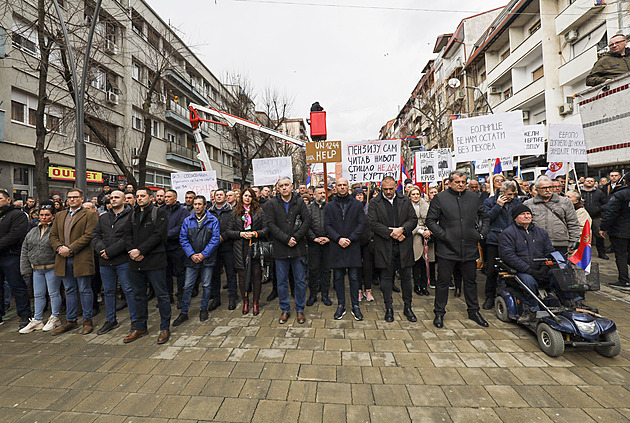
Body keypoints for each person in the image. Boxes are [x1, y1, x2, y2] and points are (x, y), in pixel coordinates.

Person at [426, 171, 489, 329]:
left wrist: (480, 234)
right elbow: (431, 220)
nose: (461, 184)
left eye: (463, 182)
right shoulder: (440, 198)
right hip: (447, 249)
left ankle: (474, 311)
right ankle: (439, 312)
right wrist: (443, 235)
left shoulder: (474, 197)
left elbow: (484, 217)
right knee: (443, 282)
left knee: (470, 282)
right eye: (457, 182)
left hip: (469, 247)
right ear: (449, 183)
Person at [122, 188, 171, 345]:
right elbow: (126, 235)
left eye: (142, 196)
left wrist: (141, 250)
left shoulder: (159, 213)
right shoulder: (132, 214)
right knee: (138, 295)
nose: (139, 198)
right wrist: (132, 251)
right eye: (137, 196)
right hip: (135, 261)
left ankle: (164, 328)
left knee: (161, 295)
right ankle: (140, 326)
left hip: (154, 260)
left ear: (151, 197)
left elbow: (159, 235)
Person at [368, 176, 418, 323]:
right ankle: (388, 307)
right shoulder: (374, 202)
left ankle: (408, 307)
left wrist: (402, 230)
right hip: (384, 246)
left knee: (406, 278)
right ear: (381, 187)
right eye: (385, 189)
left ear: (396, 186)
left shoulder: (405, 200)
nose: (388, 192)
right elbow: (372, 223)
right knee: (386, 278)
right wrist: (392, 233)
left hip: (404, 245)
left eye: (391, 189)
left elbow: (413, 220)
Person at [49, 188, 98, 335]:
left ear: (81, 199)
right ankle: (71, 320)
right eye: (69, 197)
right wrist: (59, 248)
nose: (72, 200)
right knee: (69, 290)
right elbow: (52, 235)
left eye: (75, 197)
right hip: (63, 259)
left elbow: (88, 235)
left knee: (84, 289)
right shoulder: (60, 215)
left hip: (80, 257)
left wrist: (70, 249)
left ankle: (87, 320)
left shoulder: (89, 214)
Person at [263, 177, 312, 324]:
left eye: (287, 185)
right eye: (281, 186)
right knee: (282, 282)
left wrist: (295, 238)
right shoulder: (271, 203)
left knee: (300, 281)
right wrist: (286, 239)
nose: (284, 188)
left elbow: (307, 221)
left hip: (297, 248)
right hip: (280, 248)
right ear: (278, 188)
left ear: (292, 187)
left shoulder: (299, 201)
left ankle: (299, 310)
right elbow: (270, 224)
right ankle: (285, 309)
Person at [499, 205, 556, 323]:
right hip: (522, 270)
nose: (526, 216)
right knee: (528, 280)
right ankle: (531, 309)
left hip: (541, 267)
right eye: (523, 214)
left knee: (560, 273)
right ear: (515, 218)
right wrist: (529, 270)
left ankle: (570, 302)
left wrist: (545, 267)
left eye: (528, 214)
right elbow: (509, 256)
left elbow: (550, 251)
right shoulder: (508, 233)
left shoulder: (541, 232)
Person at [91, 190, 137, 335]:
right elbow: (95, 235)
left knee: (128, 290)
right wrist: (102, 250)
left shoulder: (131, 216)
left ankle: (136, 321)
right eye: (111, 198)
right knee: (108, 291)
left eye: (117, 197)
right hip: (105, 261)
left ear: (124, 200)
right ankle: (111, 320)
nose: (113, 200)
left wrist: (111, 251)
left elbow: (128, 238)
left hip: (122, 260)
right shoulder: (104, 217)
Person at [175, 195, 220, 325]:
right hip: (192, 259)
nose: (197, 206)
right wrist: (192, 254)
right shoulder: (188, 220)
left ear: (205, 205)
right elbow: (183, 239)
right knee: (187, 286)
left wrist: (203, 255)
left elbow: (215, 239)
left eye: (200, 204)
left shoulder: (213, 220)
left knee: (206, 285)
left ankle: (203, 309)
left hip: (207, 259)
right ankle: (184, 312)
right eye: (195, 204)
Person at [325, 178, 366, 321]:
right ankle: (341, 305)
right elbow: (327, 226)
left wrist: (350, 238)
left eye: (344, 185)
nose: (342, 187)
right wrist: (338, 239)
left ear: (348, 187)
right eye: (339, 185)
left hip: (352, 246)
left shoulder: (356, 204)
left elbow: (362, 224)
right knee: (338, 278)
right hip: (337, 247)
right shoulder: (329, 206)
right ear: (335, 188)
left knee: (354, 278)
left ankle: (356, 306)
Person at [19, 201, 60, 333]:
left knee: (53, 293)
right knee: (38, 295)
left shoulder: (56, 230)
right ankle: (37, 319)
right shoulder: (32, 231)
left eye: (47, 215)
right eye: (41, 215)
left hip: (51, 267)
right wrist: (25, 268)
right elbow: (25, 249)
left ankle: (55, 317)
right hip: (36, 268)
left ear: (52, 216)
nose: (43, 217)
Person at [482, 180, 522, 310]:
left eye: (513, 194)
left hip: (512, 240)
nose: (511, 197)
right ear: (501, 193)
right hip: (494, 240)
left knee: (511, 268)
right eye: (509, 194)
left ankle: (511, 294)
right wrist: (498, 206)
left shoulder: (517, 202)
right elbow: (487, 218)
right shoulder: (490, 202)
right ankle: (489, 296)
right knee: (492, 270)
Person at [227, 188, 267, 315]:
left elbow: (266, 229)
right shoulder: (235, 212)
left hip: (254, 246)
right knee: (242, 277)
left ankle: (255, 302)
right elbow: (228, 231)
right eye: (245, 195)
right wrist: (240, 234)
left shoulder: (259, 211)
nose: (247, 198)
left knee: (256, 276)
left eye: (250, 196)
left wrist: (255, 233)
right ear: (241, 197)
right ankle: (245, 301)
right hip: (240, 248)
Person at [524, 176, 581, 254]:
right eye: (544, 188)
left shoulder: (565, 202)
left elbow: (573, 222)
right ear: (537, 189)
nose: (548, 190)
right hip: (537, 243)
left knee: (559, 265)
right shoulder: (528, 204)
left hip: (560, 243)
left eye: (550, 187)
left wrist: (573, 242)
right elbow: (524, 225)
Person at [208, 189, 239, 311]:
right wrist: (214, 239)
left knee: (230, 274)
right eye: (217, 195)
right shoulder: (209, 212)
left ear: (226, 197)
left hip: (228, 247)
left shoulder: (232, 211)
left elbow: (234, 227)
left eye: (221, 195)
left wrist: (223, 237)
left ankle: (232, 297)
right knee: (215, 275)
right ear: (214, 198)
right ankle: (216, 299)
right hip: (213, 248)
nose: (219, 196)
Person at [600, 173, 630, 289]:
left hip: (620, 231)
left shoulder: (620, 194)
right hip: (622, 229)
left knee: (621, 255)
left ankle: (624, 280)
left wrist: (603, 227)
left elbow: (610, 213)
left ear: (625, 181)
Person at [305, 186, 332, 307]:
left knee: (326, 270)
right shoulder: (309, 208)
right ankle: (313, 294)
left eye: (323, 192)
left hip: (328, 243)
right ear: (314, 195)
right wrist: (314, 238)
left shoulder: (330, 207)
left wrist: (328, 237)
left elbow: (334, 224)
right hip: (313, 244)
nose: (322, 195)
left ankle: (325, 294)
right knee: (313, 270)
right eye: (320, 193)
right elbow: (306, 225)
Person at [162, 190, 188, 306]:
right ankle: (169, 295)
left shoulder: (183, 211)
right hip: (164, 248)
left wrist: (164, 235)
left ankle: (181, 296)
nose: (166, 199)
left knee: (180, 273)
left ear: (175, 198)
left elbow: (181, 227)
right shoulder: (162, 210)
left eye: (169, 197)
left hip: (177, 247)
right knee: (166, 273)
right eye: (165, 197)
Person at [408, 186, 431, 296]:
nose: (416, 196)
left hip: (427, 236)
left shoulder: (426, 206)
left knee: (425, 263)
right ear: (409, 196)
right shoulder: (407, 207)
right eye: (413, 194)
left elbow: (431, 220)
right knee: (416, 263)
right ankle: (417, 285)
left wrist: (428, 231)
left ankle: (424, 286)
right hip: (415, 237)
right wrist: (420, 231)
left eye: (418, 194)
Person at [353, 188, 374, 302]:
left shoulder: (369, 207)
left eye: (361, 195)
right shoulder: (352, 208)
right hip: (355, 242)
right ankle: (358, 290)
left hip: (367, 242)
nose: (360, 197)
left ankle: (368, 290)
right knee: (357, 267)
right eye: (357, 195)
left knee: (367, 266)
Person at [581, 176, 608, 259]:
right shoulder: (579, 192)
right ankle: (582, 255)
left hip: (596, 217)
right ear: (584, 182)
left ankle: (601, 253)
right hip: (583, 217)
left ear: (594, 183)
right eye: (587, 181)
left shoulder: (599, 193)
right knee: (583, 236)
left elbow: (606, 203)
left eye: (591, 181)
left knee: (599, 236)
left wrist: (599, 209)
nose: (589, 182)